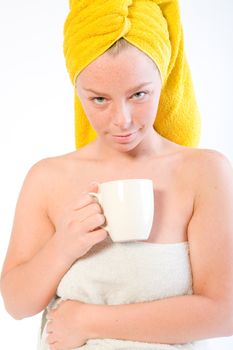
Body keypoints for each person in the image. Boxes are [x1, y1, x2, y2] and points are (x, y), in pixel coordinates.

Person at [1, 1, 233, 349]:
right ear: (77, 91)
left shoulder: (203, 171)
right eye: (99, 99)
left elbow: (224, 312)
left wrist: (86, 321)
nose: (122, 119)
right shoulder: (47, 178)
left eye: (139, 94)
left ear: (164, 78)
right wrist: (62, 246)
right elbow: (17, 305)